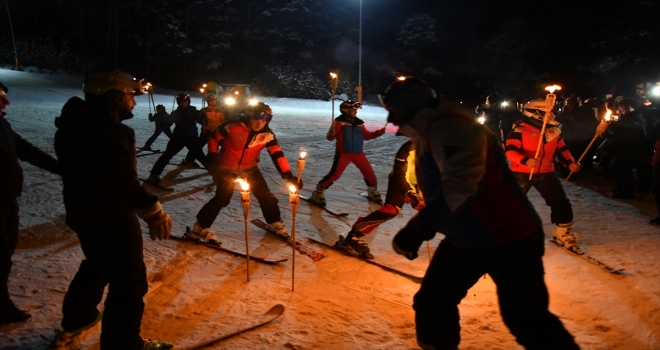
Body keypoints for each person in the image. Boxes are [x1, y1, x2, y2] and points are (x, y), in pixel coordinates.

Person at [381, 77, 580, 350]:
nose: (390, 117)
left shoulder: (450, 128)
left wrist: (419, 228)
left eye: (394, 108)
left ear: (412, 106)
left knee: (526, 319)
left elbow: (462, 182)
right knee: (433, 302)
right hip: (469, 237)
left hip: (508, 236)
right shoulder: (434, 127)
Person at [52, 69, 172, 349]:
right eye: (131, 95)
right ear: (114, 96)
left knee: (98, 263)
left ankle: (78, 317)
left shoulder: (71, 124)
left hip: (82, 212)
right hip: (112, 218)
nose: (134, 102)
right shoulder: (111, 132)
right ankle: (123, 343)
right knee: (129, 282)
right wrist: (152, 210)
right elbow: (121, 180)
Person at [189, 102, 301, 242]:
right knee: (222, 198)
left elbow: (277, 154)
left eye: (264, 120)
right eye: (256, 119)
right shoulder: (233, 126)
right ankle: (200, 227)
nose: (259, 123)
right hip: (226, 168)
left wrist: (287, 174)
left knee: (265, 196)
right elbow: (213, 137)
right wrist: (212, 154)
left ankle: (274, 222)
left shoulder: (267, 135)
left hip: (249, 168)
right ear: (249, 116)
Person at [0, 81, 60, 326]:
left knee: (5, 254)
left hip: (7, 201)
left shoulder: (2, 124)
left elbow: (27, 150)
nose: (7, 102)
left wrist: (64, 169)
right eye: (1, 97)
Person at [505, 99, 583, 251]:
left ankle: (562, 233)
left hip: (546, 172)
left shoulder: (553, 131)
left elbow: (562, 150)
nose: (552, 114)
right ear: (535, 113)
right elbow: (510, 151)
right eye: (547, 112)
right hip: (521, 172)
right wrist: (525, 161)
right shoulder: (520, 129)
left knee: (560, 202)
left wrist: (570, 163)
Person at [341, 140, 424, 259]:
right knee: (391, 210)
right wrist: (411, 195)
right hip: (400, 180)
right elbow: (400, 174)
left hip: (422, 184)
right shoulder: (409, 147)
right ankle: (354, 235)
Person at [310, 100, 386, 206]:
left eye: (356, 110)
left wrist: (378, 133)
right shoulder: (339, 122)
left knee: (370, 174)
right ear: (346, 111)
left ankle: (372, 191)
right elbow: (330, 138)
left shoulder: (359, 123)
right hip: (343, 154)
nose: (355, 112)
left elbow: (367, 135)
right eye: (353, 110)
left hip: (358, 153)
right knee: (335, 175)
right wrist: (331, 133)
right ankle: (318, 192)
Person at [147, 93, 208, 184]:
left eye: (185, 101)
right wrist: (162, 121)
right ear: (178, 102)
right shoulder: (176, 113)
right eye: (180, 101)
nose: (183, 103)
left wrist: (204, 119)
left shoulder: (194, 112)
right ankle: (154, 174)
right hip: (178, 137)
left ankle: (217, 175)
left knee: (201, 156)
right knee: (167, 155)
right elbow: (169, 123)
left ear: (188, 101)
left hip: (192, 138)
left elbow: (204, 123)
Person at [183, 94, 225, 164]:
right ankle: (189, 159)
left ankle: (221, 160)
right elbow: (199, 120)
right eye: (210, 101)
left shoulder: (221, 111)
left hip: (217, 132)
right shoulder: (204, 110)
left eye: (214, 101)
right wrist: (202, 120)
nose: (212, 102)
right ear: (208, 102)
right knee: (198, 146)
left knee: (224, 146)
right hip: (206, 131)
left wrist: (222, 127)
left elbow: (223, 120)